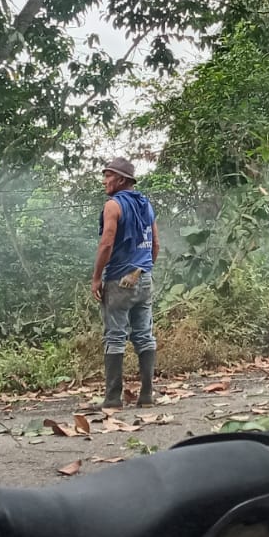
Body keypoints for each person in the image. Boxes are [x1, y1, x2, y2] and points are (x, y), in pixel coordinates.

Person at [92, 157, 159, 409]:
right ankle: (146, 396)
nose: (104, 181)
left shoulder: (113, 205)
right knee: (144, 335)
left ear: (121, 179)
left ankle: (112, 398)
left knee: (115, 336)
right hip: (143, 278)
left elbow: (106, 243)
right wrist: (145, 269)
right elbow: (156, 244)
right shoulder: (146, 204)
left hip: (119, 280)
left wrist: (97, 278)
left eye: (108, 175)